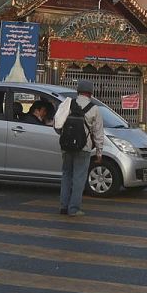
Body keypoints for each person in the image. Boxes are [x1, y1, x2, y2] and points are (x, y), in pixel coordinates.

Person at [53, 79, 106, 216]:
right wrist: (99, 152)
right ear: (90, 93)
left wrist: (65, 136)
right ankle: (74, 209)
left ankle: (63, 207)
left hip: (67, 147)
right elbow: (98, 132)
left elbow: (57, 124)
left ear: (77, 91)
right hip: (84, 148)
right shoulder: (94, 109)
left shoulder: (68, 104)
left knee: (66, 175)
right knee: (79, 178)